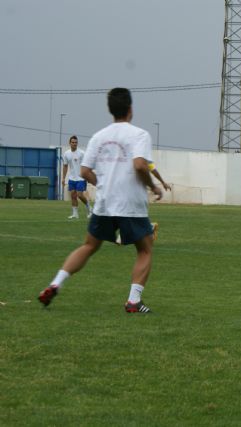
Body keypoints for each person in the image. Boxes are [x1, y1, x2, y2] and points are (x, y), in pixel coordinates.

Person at [38, 87, 163, 313]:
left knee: (89, 246)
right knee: (145, 249)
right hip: (131, 204)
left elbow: (85, 171)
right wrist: (153, 185)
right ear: (130, 109)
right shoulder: (140, 135)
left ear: (110, 110)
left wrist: (105, 184)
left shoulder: (99, 136)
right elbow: (139, 165)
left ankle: (55, 283)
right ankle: (133, 301)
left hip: (105, 203)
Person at [62, 135, 92, 219]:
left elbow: (86, 165)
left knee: (80, 195)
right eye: (73, 142)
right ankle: (75, 214)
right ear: (70, 143)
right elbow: (65, 166)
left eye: (76, 142)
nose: (74, 144)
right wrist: (63, 178)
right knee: (73, 195)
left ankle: (89, 209)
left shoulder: (82, 153)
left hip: (81, 178)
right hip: (72, 178)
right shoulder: (66, 154)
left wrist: (88, 176)